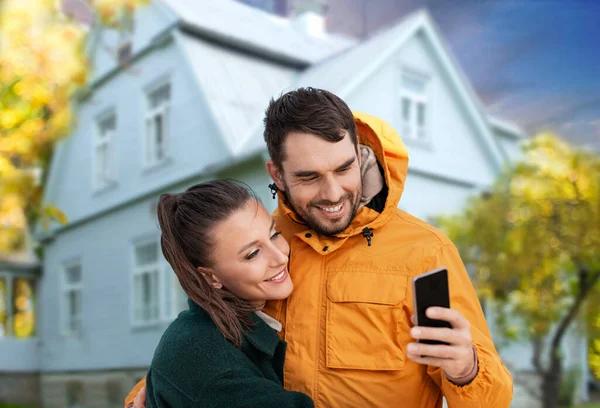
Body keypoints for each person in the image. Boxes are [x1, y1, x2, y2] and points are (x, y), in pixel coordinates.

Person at [126, 88, 513, 408]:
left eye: (344, 169)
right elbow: (207, 342)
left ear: (358, 153)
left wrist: (467, 370)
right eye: (309, 176)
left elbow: (492, 400)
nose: (333, 194)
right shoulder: (257, 241)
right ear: (276, 174)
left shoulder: (425, 251)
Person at [141, 180, 314, 407]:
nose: (281, 257)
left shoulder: (226, 325)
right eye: (252, 254)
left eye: (274, 235)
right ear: (210, 277)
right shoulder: (204, 361)